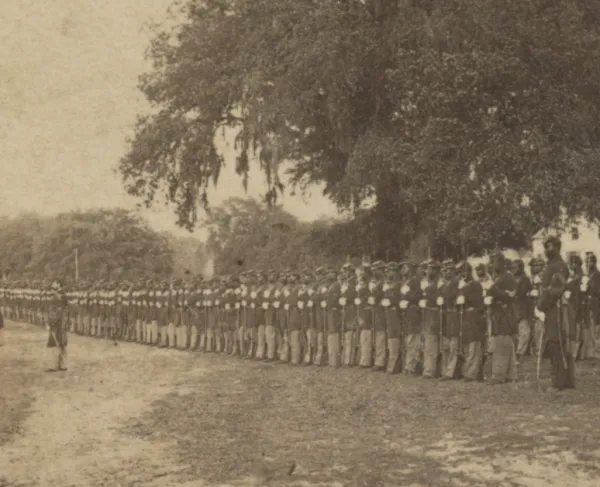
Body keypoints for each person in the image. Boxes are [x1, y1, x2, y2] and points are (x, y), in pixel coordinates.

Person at [536, 236, 575, 390]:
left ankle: (559, 382)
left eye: (549, 246)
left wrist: (540, 306)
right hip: (551, 308)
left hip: (557, 309)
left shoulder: (559, 265)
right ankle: (564, 381)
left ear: (557, 247)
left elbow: (554, 290)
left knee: (557, 343)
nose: (546, 250)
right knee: (555, 344)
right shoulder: (550, 265)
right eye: (545, 247)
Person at [46, 279, 68, 372]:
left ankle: (54, 366)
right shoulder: (64, 294)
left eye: (54, 282)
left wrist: (50, 322)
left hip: (57, 322)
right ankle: (63, 365)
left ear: (58, 284)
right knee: (62, 343)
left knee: (55, 342)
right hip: (62, 321)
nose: (52, 284)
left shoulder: (57, 296)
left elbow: (55, 311)